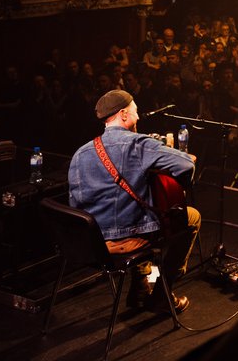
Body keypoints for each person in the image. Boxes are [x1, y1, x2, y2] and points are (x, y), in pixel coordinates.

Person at [68, 90, 199, 312]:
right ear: (124, 114)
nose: (139, 118)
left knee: (138, 215)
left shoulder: (80, 153)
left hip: (93, 244)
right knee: (191, 217)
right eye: (136, 113)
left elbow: (76, 205)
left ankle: (140, 286)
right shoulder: (138, 144)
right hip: (129, 239)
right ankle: (161, 292)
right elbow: (186, 165)